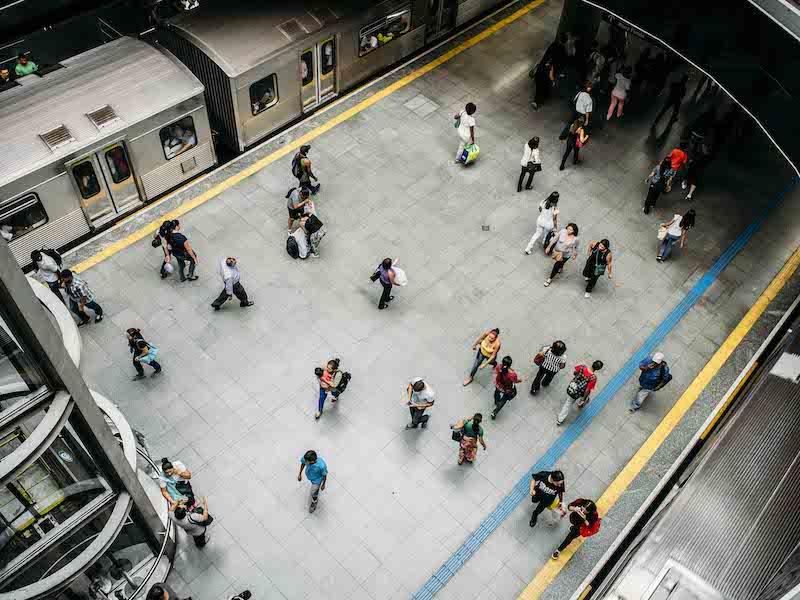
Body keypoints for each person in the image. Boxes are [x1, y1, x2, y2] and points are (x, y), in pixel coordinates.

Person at [557, 360, 603, 425]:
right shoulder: (593, 378)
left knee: (568, 403)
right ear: (598, 369)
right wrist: (583, 399)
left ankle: (560, 419)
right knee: (586, 395)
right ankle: (581, 403)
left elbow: (575, 373)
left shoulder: (582, 367)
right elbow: (587, 389)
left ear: (593, 363)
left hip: (574, 388)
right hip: (581, 392)